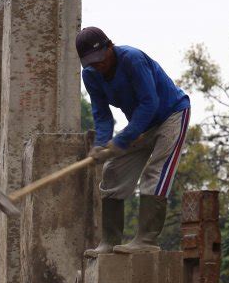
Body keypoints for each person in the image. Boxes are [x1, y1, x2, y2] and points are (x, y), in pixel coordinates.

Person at [76, 26, 190, 255]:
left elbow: (150, 103)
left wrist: (122, 140)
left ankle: (146, 241)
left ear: (110, 46)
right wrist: (100, 145)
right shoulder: (90, 75)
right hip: (141, 123)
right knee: (112, 171)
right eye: (91, 62)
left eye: (100, 59)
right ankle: (109, 241)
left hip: (171, 115)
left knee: (154, 174)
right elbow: (102, 115)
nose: (99, 66)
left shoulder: (132, 59)